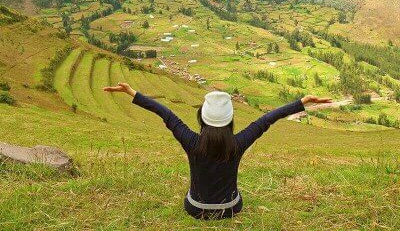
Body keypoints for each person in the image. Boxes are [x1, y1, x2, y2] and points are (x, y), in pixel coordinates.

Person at [103, 83, 331, 220]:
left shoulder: (191, 141)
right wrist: (301, 102)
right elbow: (267, 120)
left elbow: (165, 113)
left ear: (202, 117)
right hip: (230, 209)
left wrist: (133, 93)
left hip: (195, 208)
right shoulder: (238, 143)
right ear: (230, 119)